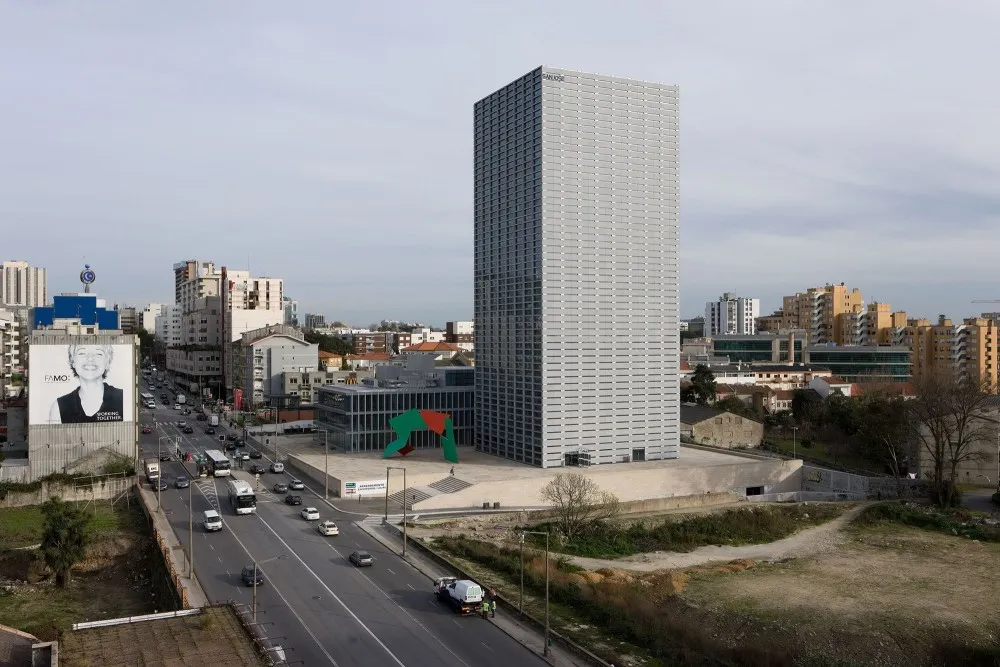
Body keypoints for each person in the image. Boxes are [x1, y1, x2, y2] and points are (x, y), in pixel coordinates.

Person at [48, 344, 125, 424]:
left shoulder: (124, 399)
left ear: (107, 363)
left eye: (98, 353)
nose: (90, 358)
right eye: (82, 353)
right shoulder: (58, 407)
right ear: (73, 362)